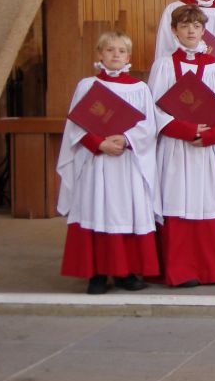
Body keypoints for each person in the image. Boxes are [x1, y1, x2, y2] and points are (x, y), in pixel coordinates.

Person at [57, 32, 160, 294]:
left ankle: (126, 272)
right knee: (97, 210)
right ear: (99, 54)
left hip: (127, 161)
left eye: (121, 51)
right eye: (110, 50)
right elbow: (76, 123)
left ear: (129, 56)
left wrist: (126, 139)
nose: (116, 55)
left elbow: (148, 127)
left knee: (128, 213)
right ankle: (98, 274)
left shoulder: (139, 88)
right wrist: (98, 143)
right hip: (97, 161)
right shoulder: (87, 85)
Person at [147, 6, 215, 287]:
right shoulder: (163, 65)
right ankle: (180, 270)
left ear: (203, 30)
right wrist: (185, 130)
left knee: (206, 204)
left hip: (206, 148)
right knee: (177, 203)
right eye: (184, 27)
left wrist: (212, 133)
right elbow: (154, 109)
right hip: (176, 147)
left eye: (196, 26)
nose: (191, 32)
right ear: (174, 31)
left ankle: (210, 270)